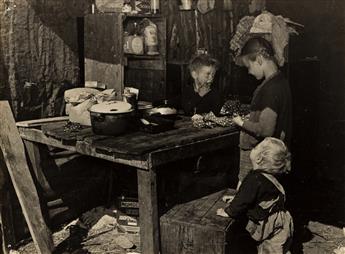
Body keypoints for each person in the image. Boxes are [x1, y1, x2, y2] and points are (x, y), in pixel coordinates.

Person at [232, 36, 292, 188]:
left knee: (249, 194)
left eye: (249, 67)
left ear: (259, 59)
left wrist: (241, 122)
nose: (249, 72)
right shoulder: (280, 81)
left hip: (261, 156)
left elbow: (265, 129)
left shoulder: (270, 89)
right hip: (274, 154)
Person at [217, 137, 294, 254]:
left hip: (270, 226)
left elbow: (244, 200)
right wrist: (235, 198)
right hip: (281, 222)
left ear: (259, 158)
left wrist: (228, 211)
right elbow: (256, 196)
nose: (253, 148)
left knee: (268, 251)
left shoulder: (254, 178)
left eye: (256, 147)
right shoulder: (271, 176)